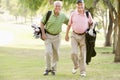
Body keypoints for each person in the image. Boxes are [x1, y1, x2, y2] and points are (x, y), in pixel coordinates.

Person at [65, 0, 93, 77]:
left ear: (84, 5)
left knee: (83, 55)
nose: (80, 6)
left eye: (81, 4)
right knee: (73, 52)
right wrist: (66, 34)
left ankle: (83, 71)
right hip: (74, 35)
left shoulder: (87, 14)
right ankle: (76, 65)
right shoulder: (73, 14)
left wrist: (90, 30)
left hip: (84, 36)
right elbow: (69, 25)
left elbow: (91, 23)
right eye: (79, 4)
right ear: (76, 5)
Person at [40, 1, 68, 76]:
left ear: (61, 8)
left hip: (57, 37)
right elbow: (42, 23)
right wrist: (43, 33)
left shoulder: (63, 16)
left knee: (56, 53)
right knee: (48, 52)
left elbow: (70, 22)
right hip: (48, 36)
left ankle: (54, 69)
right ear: (54, 6)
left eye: (59, 6)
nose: (57, 7)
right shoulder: (48, 13)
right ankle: (47, 69)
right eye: (56, 6)